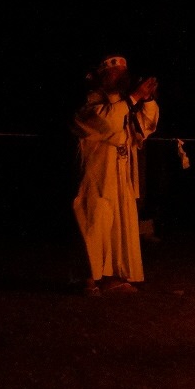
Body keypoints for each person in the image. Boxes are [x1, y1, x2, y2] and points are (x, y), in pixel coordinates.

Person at [71, 54, 159, 295]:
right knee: (95, 220)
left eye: (124, 73)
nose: (122, 78)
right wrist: (134, 98)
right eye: (116, 73)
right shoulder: (92, 100)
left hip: (121, 170)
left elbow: (145, 127)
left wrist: (147, 98)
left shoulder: (124, 103)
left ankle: (111, 276)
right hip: (97, 170)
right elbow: (106, 123)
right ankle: (90, 277)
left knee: (118, 223)